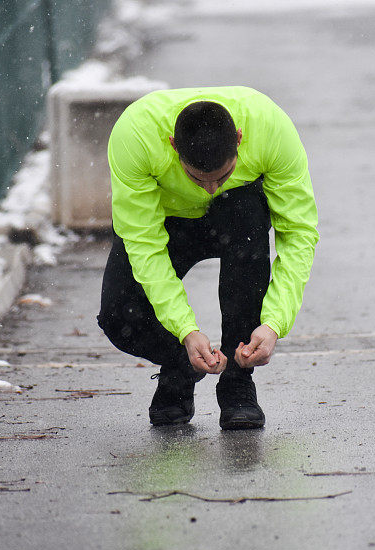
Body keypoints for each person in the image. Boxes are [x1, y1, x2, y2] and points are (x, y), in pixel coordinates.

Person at [97, 86, 318, 430]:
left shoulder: (270, 128)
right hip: (167, 222)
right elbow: (145, 245)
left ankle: (237, 383)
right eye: (198, 178)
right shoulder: (136, 135)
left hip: (233, 219)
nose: (210, 188)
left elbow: (299, 233)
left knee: (244, 208)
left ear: (241, 140)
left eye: (223, 176)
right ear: (172, 145)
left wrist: (275, 323)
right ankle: (183, 368)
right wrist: (186, 332)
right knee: (116, 316)